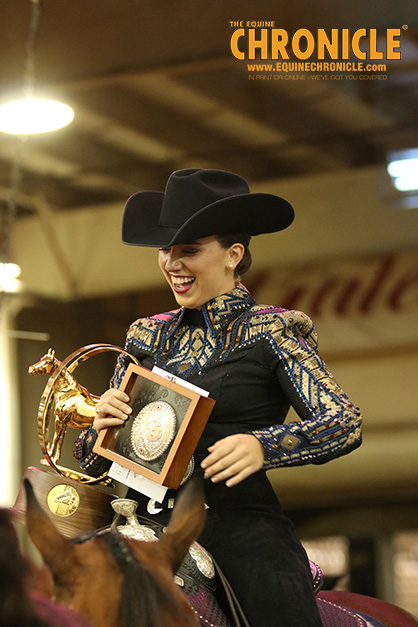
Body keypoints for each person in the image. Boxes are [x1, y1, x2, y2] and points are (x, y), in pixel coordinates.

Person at [74, 168, 362, 627]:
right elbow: (97, 459)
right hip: (133, 516)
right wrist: (99, 430)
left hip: (237, 524)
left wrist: (263, 446)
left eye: (189, 250)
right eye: (166, 250)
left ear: (233, 255)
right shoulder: (144, 335)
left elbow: (344, 421)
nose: (171, 263)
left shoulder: (273, 331)